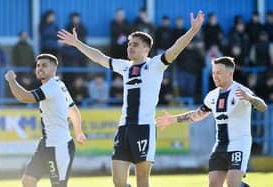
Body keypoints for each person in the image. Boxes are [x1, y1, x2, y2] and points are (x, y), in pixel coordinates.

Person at [57, 11, 204, 187]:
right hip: (124, 128)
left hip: (144, 129)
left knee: (142, 181)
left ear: (146, 49)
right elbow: (100, 58)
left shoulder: (155, 65)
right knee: (118, 181)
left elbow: (175, 49)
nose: (130, 48)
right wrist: (76, 43)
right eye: (129, 44)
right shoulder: (125, 66)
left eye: (135, 45)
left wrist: (192, 31)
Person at [156, 56, 267, 187]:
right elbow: (197, 115)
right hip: (220, 146)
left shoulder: (241, 92)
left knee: (232, 184)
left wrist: (250, 98)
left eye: (219, 73)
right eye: (213, 72)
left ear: (230, 73)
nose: (215, 76)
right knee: (213, 185)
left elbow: (263, 107)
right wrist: (172, 120)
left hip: (239, 144)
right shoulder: (212, 96)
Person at [5, 53, 86, 187]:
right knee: (28, 180)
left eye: (44, 65)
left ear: (54, 69)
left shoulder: (51, 87)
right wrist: (78, 133)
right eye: (38, 66)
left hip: (59, 146)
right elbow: (73, 110)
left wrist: (11, 80)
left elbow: (24, 97)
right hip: (46, 144)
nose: (39, 68)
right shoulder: (59, 84)